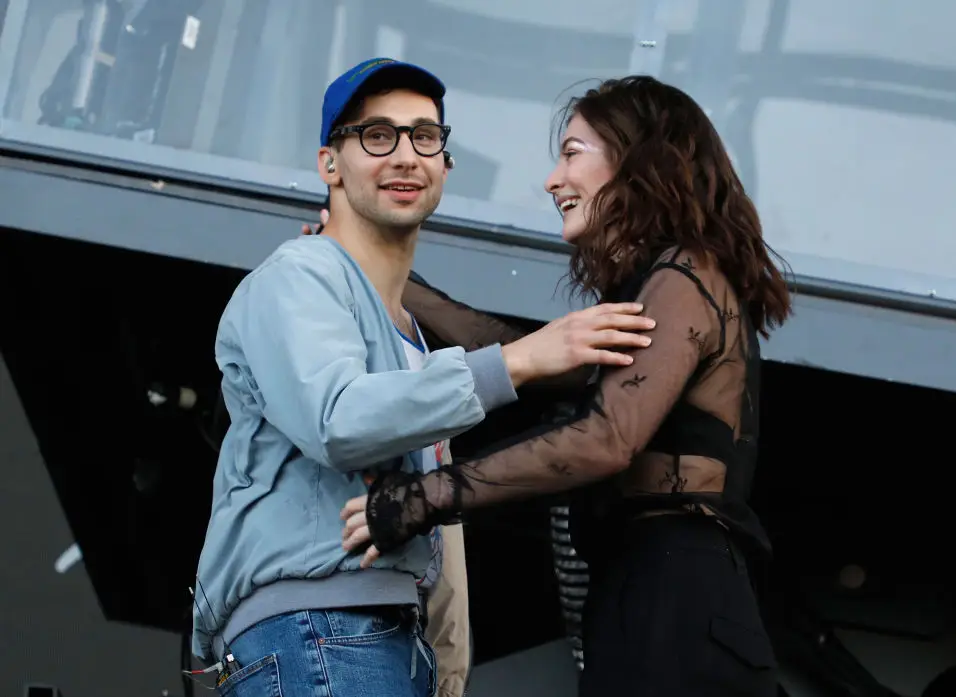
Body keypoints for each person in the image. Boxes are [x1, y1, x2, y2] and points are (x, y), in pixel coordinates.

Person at [191, 58, 655, 696]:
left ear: (445, 164)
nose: (406, 156)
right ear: (330, 163)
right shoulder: (298, 275)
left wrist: (448, 669)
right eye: (378, 136)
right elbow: (338, 420)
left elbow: (436, 538)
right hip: (315, 626)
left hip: (381, 638)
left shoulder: (406, 336)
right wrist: (519, 359)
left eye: (425, 137)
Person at [340, 75, 794, 697]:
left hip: (679, 598)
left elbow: (605, 439)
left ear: (639, 160)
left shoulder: (686, 274)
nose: (553, 180)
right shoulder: (661, 285)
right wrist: (378, 277)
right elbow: (524, 355)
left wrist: (420, 499)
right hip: (651, 595)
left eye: (572, 153)